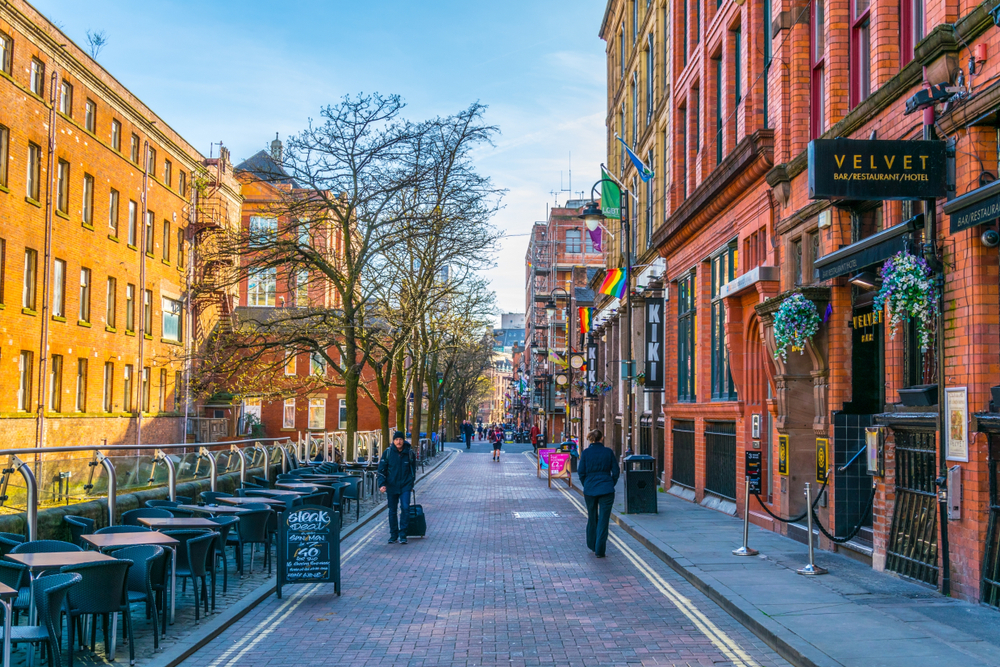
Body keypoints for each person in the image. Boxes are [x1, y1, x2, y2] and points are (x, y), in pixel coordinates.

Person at [577, 429, 620, 558]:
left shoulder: (585, 453)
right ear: (602, 439)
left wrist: (587, 484)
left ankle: (591, 544)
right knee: (603, 519)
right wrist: (610, 483)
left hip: (590, 489)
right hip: (606, 489)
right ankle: (600, 550)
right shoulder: (608, 452)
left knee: (592, 517)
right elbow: (616, 471)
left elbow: (581, 473)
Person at [377, 431, 417, 544]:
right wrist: (382, 484)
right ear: (393, 441)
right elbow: (381, 470)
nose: (398, 442)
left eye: (400, 439)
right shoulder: (388, 453)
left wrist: (410, 484)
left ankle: (403, 534)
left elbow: (413, 470)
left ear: (403, 440)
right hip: (392, 486)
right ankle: (393, 534)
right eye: (396, 439)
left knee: (405, 508)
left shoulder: (409, 453)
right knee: (392, 511)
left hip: (405, 486)